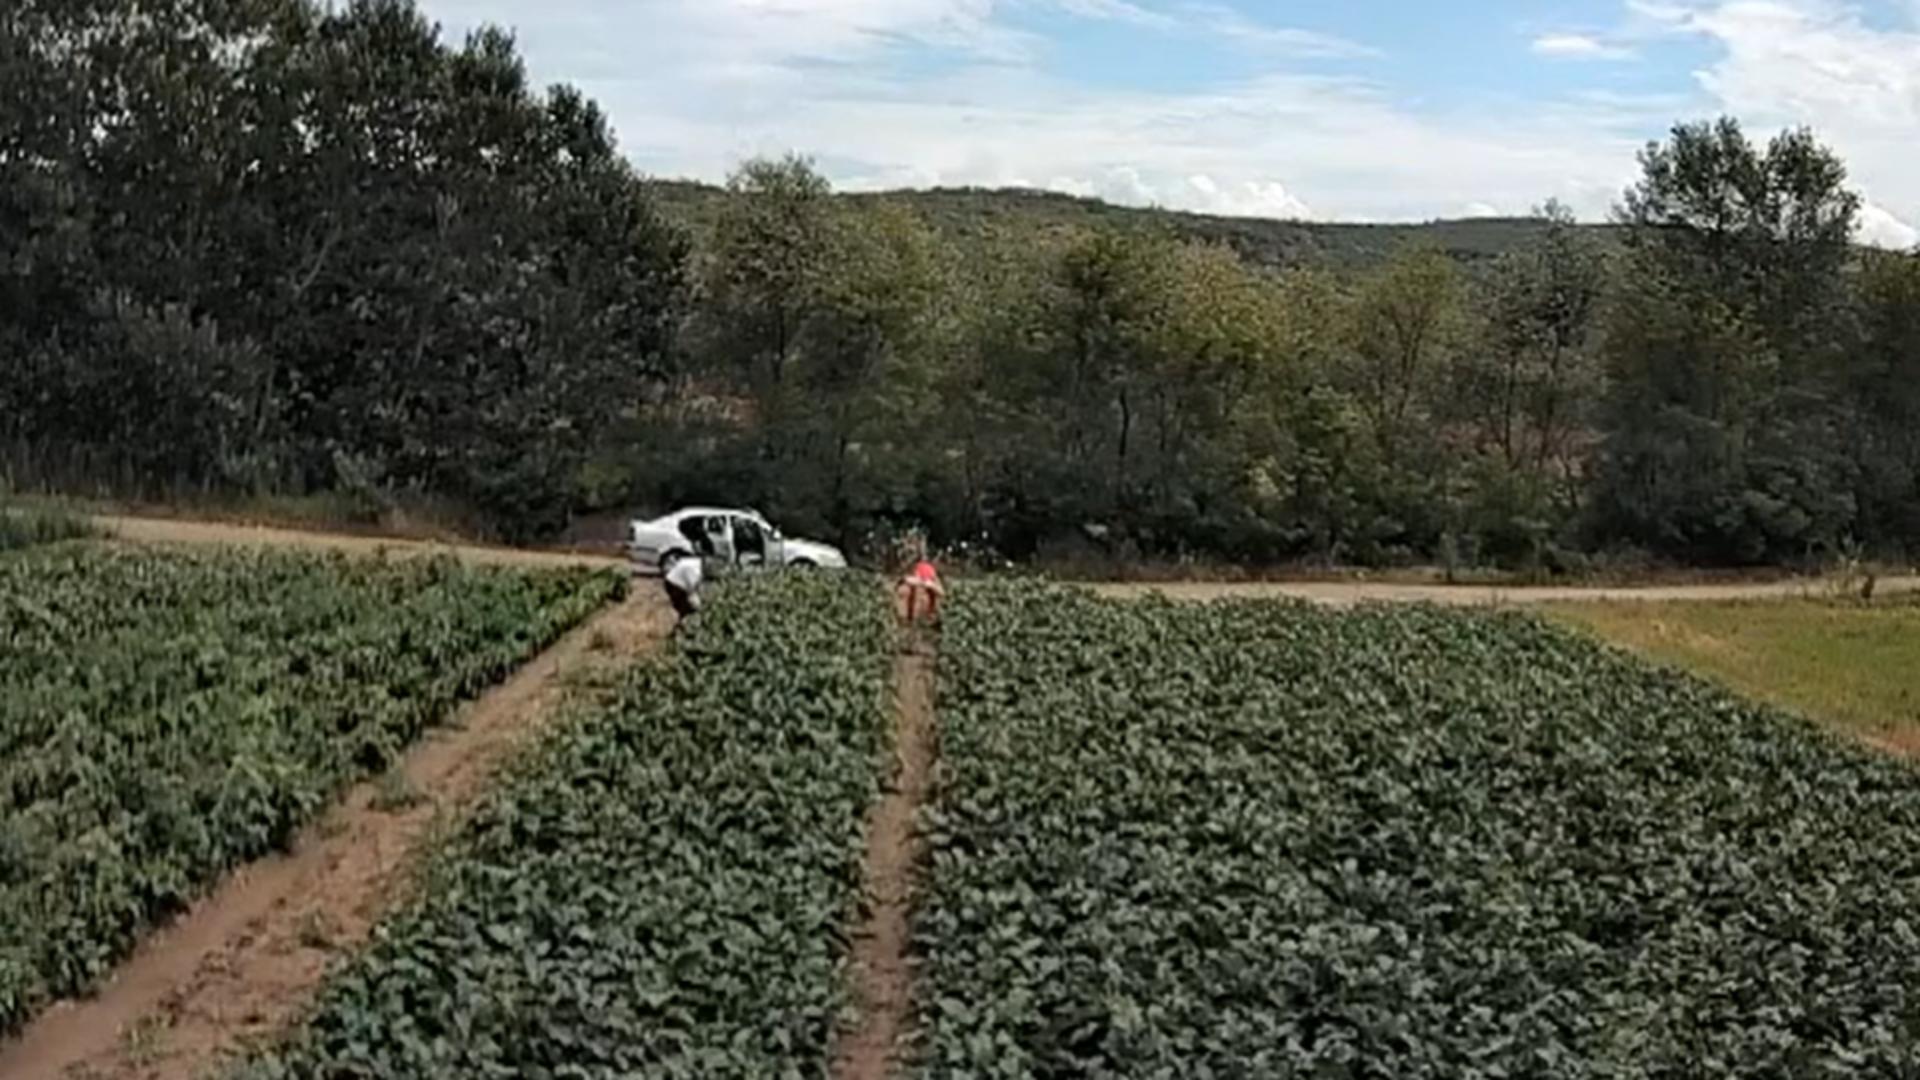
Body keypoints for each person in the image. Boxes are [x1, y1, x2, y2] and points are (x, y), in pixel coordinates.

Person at [898, 552, 944, 625]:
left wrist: (932, 585)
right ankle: (909, 618)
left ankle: (927, 617)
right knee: (907, 590)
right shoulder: (909, 579)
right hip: (913, 616)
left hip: (928, 616)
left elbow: (942, 593)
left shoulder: (931, 575)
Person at [664, 555, 704, 629]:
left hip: (671, 581)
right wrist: (697, 601)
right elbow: (691, 588)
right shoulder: (695, 570)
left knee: (685, 608)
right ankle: (682, 628)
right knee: (689, 607)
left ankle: (680, 626)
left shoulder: (695, 562)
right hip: (675, 585)